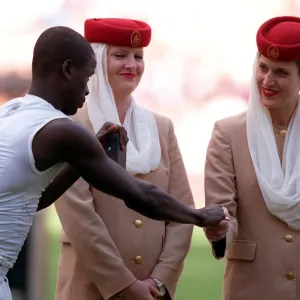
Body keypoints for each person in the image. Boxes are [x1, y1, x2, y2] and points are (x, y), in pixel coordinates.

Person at [0, 26, 226, 299]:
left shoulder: (10, 113)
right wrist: (198, 216)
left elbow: (37, 199)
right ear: (68, 70)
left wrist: (85, 153)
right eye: (86, 78)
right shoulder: (65, 130)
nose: (87, 90)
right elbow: (141, 196)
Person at [54, 17, 196, 300]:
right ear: (96, 60)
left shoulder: (162, 127)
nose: (132, 64)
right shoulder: (70, 125)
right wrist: (125, 286)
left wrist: (160, 280)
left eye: (139, 56)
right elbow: (80, 218)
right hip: (88, 287)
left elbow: (182, 211)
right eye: (120, 55)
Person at [204, 16, 300, 300]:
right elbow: (224, 215)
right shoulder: (228, 134)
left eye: (281, 72)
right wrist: (219, 229)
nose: (267, 81)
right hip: (253, 288)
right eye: (262, 68)